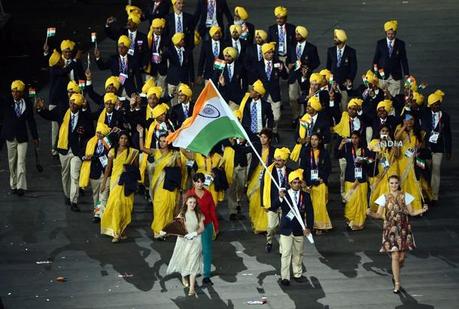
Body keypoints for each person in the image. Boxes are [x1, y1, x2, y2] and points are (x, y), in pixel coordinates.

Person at [367, 175, 428, 293]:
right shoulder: (383, 197)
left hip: (403, 228)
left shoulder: (406, 196)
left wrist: (422, 210)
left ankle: (396, 273)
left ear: (399, 183)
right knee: (395, 256)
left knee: (401, 257)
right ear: (388, 184)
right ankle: (397, 283)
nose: (394, 185)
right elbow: (379, 215)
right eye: (391, 183)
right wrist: (370, 213)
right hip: (390, 229)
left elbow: (412, 212)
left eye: (396, 183)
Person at [36, 93, 94, 211]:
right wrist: (41, 109)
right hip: (63, 149)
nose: (72, 105)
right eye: (71, 102)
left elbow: (91, 133)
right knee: (65, 175)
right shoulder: (62, 110)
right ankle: (67, 195)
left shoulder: (84, 117)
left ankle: (74, 201)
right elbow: (49, 115)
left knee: (75, 176)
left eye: (75, 103)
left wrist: (84, 133)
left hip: (77, 152)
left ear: (79, 105)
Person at [269, 168, 313, 286]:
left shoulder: (306, 196)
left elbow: (310, 213)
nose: (297, 185)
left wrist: (308, 227)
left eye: (299, 182)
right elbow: (273, 207)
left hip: (299, 229)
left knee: (298, 253)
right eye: (294, 182)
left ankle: (297, 274)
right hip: (286, 229)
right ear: (289, 183)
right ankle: (285, 277)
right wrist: (280, 198)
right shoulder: (285, 195)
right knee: (286, 254)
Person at [138, 131, 181, 239]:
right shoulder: (155, 152)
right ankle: (157, 231)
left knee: (168, 207)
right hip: (157, 186)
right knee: (159, 208)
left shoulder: (175, 154)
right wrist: (140, 134)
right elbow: (142, 148)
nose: (162, 143)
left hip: (169, 185)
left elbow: (180, 170)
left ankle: (165, 230)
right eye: (160, 141)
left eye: (165, 141)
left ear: (169, 142)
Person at [1, 80, 39, 196]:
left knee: (21, 162)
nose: (14, 94)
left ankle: (20, 187)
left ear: (22, 92)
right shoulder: (7, 103)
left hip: (22, 138)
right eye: (13, 91)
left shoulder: (27, 103)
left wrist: (35, 136)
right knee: (12, 163)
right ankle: (13, 185)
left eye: (17, 92)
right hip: (10, 137)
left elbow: (31, 121)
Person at [100, 131, 140, 243]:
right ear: (118, 140)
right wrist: (104, 183)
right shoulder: (113, 151)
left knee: (126, 207)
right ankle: (116, 233)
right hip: (116, 183)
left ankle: (120, 231)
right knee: (116, 204)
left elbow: (136, 169)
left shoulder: (133, 152)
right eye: (121, 138)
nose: (123, 140)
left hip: (127, 183)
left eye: (125, 138)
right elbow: (108, 168)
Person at [166, 195, 205, 296]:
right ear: (186, 203)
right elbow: (175, 227)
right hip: (183, 242)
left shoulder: (199, 215)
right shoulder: (182, 214)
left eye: (194, 203)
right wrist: (164, 231)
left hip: (196, 241)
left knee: (193, 263)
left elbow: (202, 228)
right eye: (190, 202)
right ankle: (184, 275)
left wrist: (194, 233)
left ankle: (192, 288)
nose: (192, 204)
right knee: (184, 260)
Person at [186, 173, 219, 285]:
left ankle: (206, 275)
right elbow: (183, 211)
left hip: (207, 226)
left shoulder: (208, 194)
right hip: (192, 227)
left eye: (201, 181)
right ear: (194, 182)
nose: (200, 184)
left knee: (207, 251)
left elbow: (212, 211)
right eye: (197, 181)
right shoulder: (189, 194)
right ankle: (191, 274)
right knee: (193, 252)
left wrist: (216, 225)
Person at [421, 90, 451, 206]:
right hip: (426, 147)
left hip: (438, 148)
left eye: (438, 104)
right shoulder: (425, 113)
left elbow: (447, 134)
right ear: (430, 105)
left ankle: (434, 196)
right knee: (425, 171)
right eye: (434, 104)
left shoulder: (445, 116)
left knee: (436, 172)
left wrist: (448, 150)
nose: (436, 106)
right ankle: (425, 193)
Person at [286, 25, 320, 125]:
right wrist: (289, 64)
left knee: (305, 97)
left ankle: (303, 115)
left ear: (304, 35)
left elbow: (316, 62)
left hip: (305, 77)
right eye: (296, 34)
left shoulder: (311, 48)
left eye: (298, 34)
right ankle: (295, 116)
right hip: (293, 76)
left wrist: (308, 68)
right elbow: (289, 59)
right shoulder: (292, 46)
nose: (296, 36)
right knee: (292, 98)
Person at [299, 133, 332, 234]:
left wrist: (323, 179)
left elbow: (328, 168)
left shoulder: (324, 153)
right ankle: (310, 225)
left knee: (320, 204)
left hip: (320, 182)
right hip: (308, 182)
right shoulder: (305, 152)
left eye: (316, 140)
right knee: (310, 205)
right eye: (312, 139)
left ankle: (320, 226)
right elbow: (302, 168)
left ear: (320, 141)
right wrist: (303, 181)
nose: (313, 142)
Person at [79, 123, 112, 222]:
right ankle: (97, 212)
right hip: (95, 172)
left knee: (104, 195)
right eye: (97, 132)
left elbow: (110, 154)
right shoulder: (90, 142)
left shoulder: (109, 143)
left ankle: (101, 214)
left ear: (104, 134)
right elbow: (82, 153)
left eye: (100, 132)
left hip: (106, 172)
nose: (98, 134)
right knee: (96, 195)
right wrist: (85, 157)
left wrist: (93, 157)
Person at [394, 112, 425, 215]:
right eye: (407, 119)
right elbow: (396, 138)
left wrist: (417, 150)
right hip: (402, 160)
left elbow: (420, 145)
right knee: (404, 184)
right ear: (404, 121)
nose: (410, 122)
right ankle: (404, 208)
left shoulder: (417, 132)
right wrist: (404, 126)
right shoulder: (400, 129)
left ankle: (416, 208)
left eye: (412, 120)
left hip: (413, 161)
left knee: (415, 183)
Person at [255, 42, 288, 140]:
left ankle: (274, 130)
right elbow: (254, 79)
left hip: (275, 94)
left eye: (272, 52)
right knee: (264, 117)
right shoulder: (258, 65)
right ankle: (267, 135)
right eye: (268, 53)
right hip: (263, 95)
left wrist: (282, 70)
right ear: (264, 54)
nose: (271, 54)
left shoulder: (278, 63)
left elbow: (285, 77)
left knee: (276, 117)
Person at [262, 147, 291, 253]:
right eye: (275, 160)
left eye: (279, 160)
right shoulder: (268, 171)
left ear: (285, 161)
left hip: (285, 204)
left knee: (284, 226)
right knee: (271, 226)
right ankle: (269, 241)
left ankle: (282, 249)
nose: (276, 162)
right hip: (272, 204)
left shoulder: (290, 172)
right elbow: (263, 187)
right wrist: (263, 204)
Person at [339, 131, 369, 230]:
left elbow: (370, 162)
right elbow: (337, 155)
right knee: (350, 203)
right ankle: (350, 222)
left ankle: (359, 224)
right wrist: (341, 144)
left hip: (362, 180)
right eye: (352, 138)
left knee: (361, 202)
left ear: (359, 138)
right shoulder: (347, 149)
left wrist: (364, 161)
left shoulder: (364, 150)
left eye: (356, 138)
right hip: (350, 179)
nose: (354, 140)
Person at [246, 129, 274, 233]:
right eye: (261, 137)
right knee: (254, 199)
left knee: (264, 198)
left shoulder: (273, 150)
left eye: (265, 137)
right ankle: (255, 221)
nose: (262, 139)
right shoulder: (256, 146)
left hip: (267, 176)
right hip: (255, 174)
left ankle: (262, 225)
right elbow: (244, 150)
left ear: (269, 139)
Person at [373, 20, 409, 97]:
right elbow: (375, 59)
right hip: (382, 75)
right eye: (388, 34)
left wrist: (406, 74)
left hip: (395, 76)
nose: (390, 36)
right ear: (386, 33)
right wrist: (374, 73)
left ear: (395, 33)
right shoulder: (380, 43)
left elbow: (404, 60)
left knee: (394, 99)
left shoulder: (400, 44)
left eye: (392, 34)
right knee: (381, 97)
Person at [326, 29, 357, 110]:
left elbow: (353, 68)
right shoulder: (331, 50)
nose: (334, 39)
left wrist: (349, 79)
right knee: (333, 107)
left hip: (344, 85)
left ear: (341, 39)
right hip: (333, 85)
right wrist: (330, 81)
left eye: (336, 37)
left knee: (344, 107)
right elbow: (328, 67)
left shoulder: (351, 52)